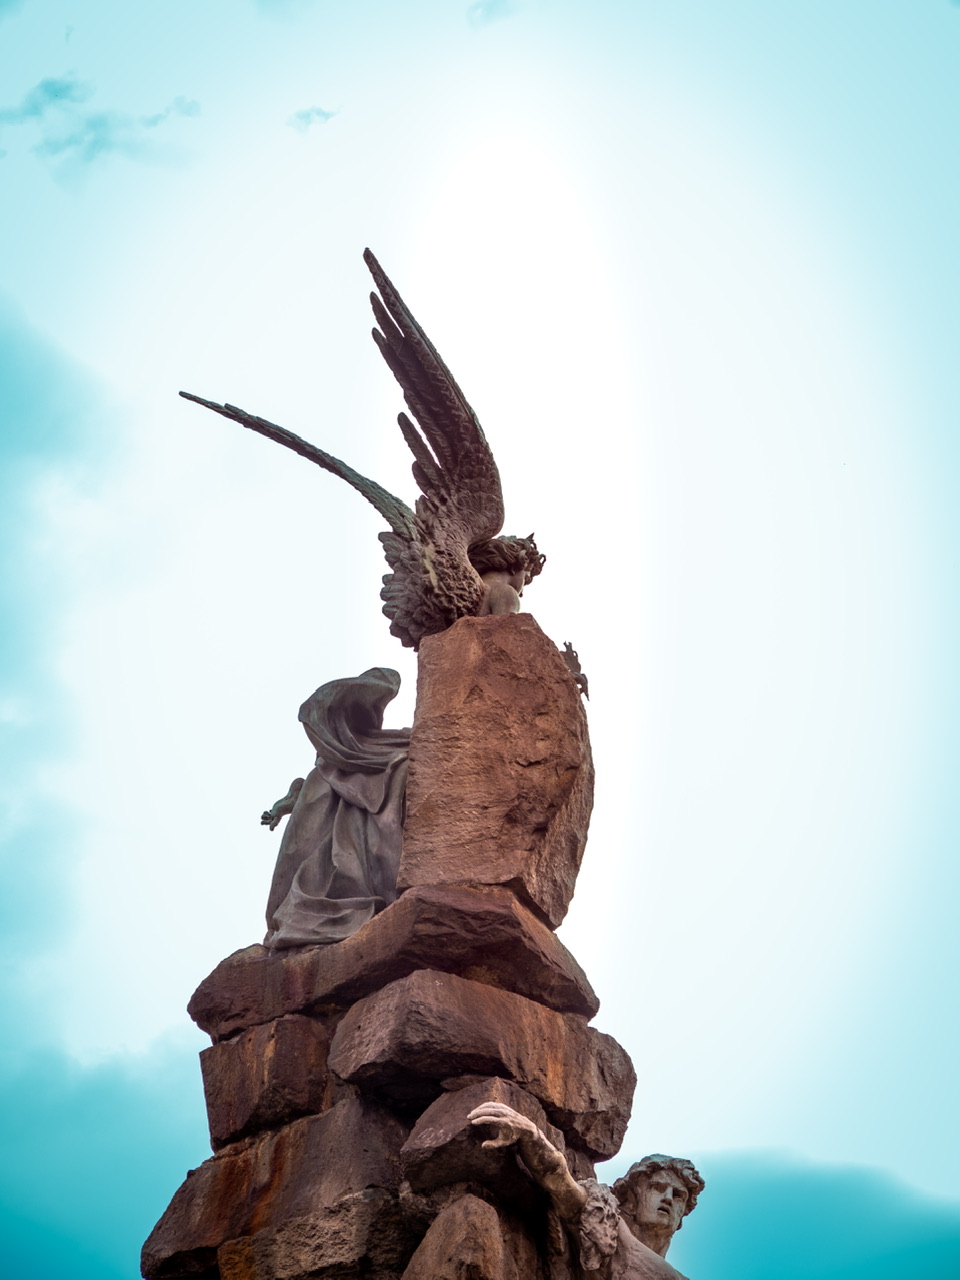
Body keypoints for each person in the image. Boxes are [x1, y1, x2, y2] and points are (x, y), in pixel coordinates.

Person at [260, 667, 409, 947]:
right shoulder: (323, 766)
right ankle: (290, 917)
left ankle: (325, 906)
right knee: (298, 857)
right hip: (312, 822)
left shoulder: (382, 745)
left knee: (330, 860)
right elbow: (297, 791)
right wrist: (281, 807)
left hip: (349, 828)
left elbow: (415, 744)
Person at [468, 1102, 704, 1279]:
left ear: (683, 1214)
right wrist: (533, 1136)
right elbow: (560, 1181)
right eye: (658, 1188)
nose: (668, 1198)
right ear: (632, 1199)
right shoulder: (608, 1228)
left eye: (678, 1195)